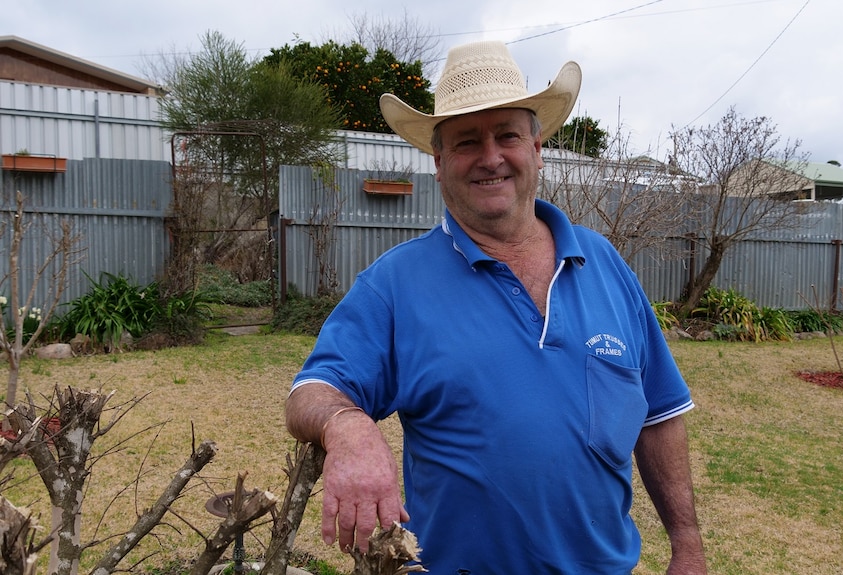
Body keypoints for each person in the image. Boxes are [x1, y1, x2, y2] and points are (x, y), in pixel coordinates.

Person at [285, 40, 707, 575]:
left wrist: (688, 546)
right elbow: (309, 392)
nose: (490, 157)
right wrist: (346, 425)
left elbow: (659, 414)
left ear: (536, 147)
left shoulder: (604, 264)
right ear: (438, 163)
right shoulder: (395, 283)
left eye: (507, 134)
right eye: (466, 142)